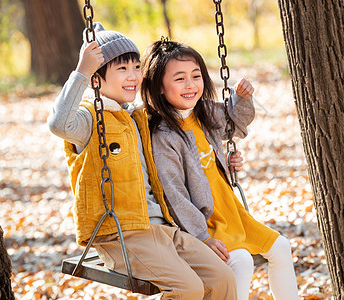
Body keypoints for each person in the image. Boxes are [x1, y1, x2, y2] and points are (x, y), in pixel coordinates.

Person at [47, 23, 237, 300]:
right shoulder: (90, 120)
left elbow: (187, 132)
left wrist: (223, 159)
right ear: (97, 80)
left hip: (163, 228)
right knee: (188, 289)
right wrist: (82, 72)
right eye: (122, 69)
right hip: (121, 235)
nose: (133, 76)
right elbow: (59, 123)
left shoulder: (138, 117)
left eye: (137, 67)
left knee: (223, 278)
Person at [140, 39, 299, 300]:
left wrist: (242, 98)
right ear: (159, 87)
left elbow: (234, 124)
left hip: (231, 212)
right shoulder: (164, 136)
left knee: (281, 247)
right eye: (179, 79)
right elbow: (174, 193)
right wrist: (201, 237)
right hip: (204, 222)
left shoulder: (203, 114)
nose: (191, 85)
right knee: (241, 260)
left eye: (196, 75)